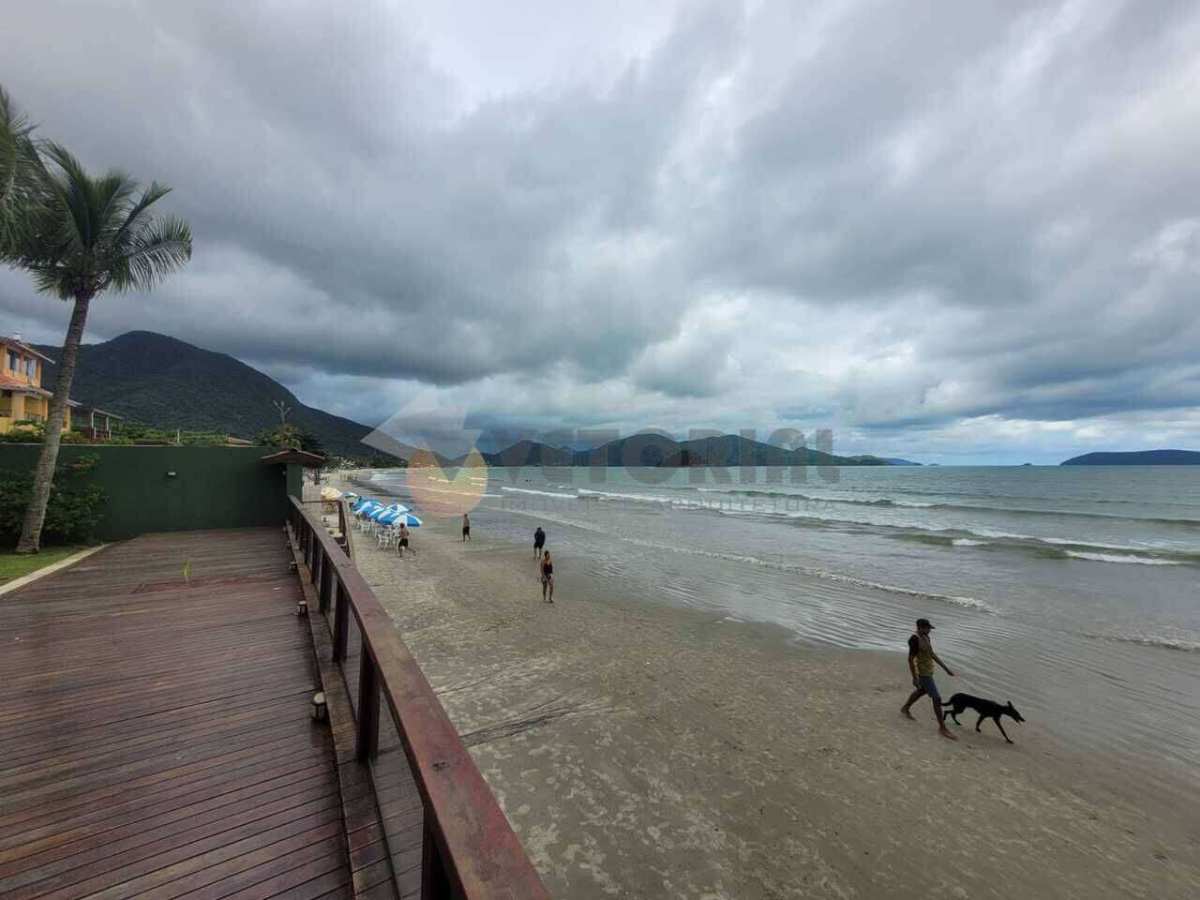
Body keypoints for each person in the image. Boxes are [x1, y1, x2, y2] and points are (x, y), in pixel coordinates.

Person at [901, 617, 957, 740]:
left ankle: (905, 708)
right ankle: (942, 728)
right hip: (923, 673)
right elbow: (910, 660)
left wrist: (946, 669)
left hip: (929, 670)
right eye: (927, 628)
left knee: (922, 691)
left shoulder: (926, 637)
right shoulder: (914, 640)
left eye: (929, 628)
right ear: (920, 628)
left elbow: (932, 654)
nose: (929, 630)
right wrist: (914, 678)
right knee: (937, 698)